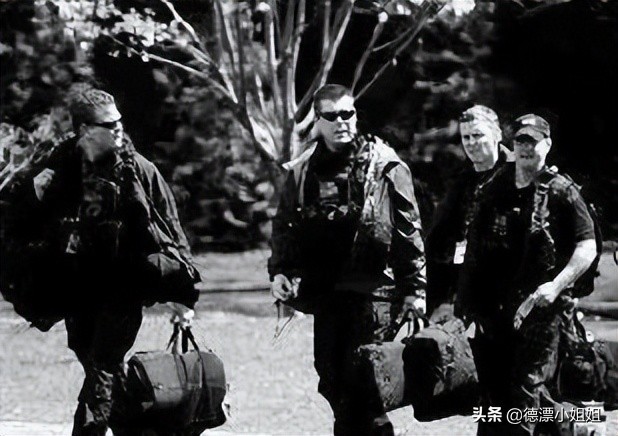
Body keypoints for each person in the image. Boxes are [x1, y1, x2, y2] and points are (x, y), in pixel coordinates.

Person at [30, 89, 200, 436]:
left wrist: (183, 293)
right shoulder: (59, 167)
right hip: (78, 287)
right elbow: (31, 222)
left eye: (119, 120)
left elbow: (170, 228)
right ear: (84, 130)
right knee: (96, 364)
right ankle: (140, 429)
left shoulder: (139, 170)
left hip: (125, 285)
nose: (119, 128)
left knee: (103, 365)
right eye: (108, 124)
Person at [268, 84, 426, 436]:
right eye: (332, 115)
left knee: (365, 384)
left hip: (376, 292)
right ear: (318, 121)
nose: (342, 121)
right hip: (327, 292)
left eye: (347, 113)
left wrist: (415, 290)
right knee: (332, 379)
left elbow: (409, 230)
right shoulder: (303, 170)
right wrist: (280, 271)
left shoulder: (384, 165)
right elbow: (285, 225)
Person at [457, 114, 597, 435]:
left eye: (532, 142)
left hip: (541, 311)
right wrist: (465, 306)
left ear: (547, 145)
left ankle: (567, 426)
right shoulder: (494, 187)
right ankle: (573, 428)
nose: (525, 148)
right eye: (520, 141)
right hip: (493, 311)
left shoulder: (562, 191)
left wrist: (556, 285)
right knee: (493, 398)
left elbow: (587, 246)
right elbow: (475, 248)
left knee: (525, 392)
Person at [425, 105, 510, 315]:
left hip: (509, 291)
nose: (471, 143)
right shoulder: (462, 182)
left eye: (478, 135)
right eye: (466, 137)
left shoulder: (520, 176)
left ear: (497, 135)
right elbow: (438, 241)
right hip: (467, 290)